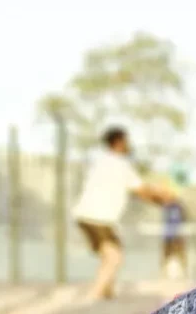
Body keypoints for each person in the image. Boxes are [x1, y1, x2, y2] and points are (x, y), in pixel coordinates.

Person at [73, 127, 173, 300]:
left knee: (110, 253)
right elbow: (141, 191)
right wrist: (162, 199)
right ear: (118, 142)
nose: (128, 145)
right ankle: (93, 296)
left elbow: (134, 191)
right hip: (98, 218)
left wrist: (158, 199)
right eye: (126, 141)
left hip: (88, 216)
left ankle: (107, 292)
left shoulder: (101, 161)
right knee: (114, 256)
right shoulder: (121, 165)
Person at [162, 198, 187, 279]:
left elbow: (183, 220)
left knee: (180, 256)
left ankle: (183, 273)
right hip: (168, 236)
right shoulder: (168, 207)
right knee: (167, 256)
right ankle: (164, 274)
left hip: (177, 236)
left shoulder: (179, 207)